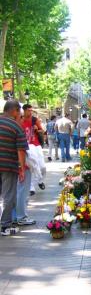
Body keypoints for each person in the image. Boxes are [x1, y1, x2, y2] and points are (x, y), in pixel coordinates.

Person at [0, 100, 28, 236]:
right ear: (15, 111)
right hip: (8, 166)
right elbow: (21, 150)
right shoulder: (16, 127)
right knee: (8, 195)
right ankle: (5, 226)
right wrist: (22, 168)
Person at [21, 104, 46, 191]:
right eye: (29, 110)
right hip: (27, 145)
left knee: (42, 166)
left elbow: (42, 131)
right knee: (32, 166)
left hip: (36, 144)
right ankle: (32, 187)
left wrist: (37, 129)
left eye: (31, 110)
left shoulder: (35, 120)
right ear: (24, 110)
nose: (30, 112)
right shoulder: (20, 120)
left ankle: (40, 180)